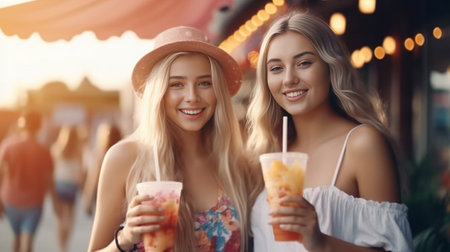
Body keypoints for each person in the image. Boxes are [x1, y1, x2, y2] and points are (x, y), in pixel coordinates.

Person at [246, 11, 414, 252]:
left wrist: (322, 242)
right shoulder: (268, 150)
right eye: (276, 68)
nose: (289, 79)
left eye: (304, 63)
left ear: (329, 66)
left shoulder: (362, 144)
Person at [87, 26, 250, 252]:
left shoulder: (233, 163)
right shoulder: (124, 158)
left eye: (204, 83)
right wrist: (125, 238)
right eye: (176, 84)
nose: (192, 97)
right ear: (159, 92)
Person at [0, 109, 58, 252]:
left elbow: (1, 173)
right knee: (27, 243)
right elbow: (49, 181)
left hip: (10, 200)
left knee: (16, 236)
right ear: (39, 126)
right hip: (34, 203)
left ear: (22, 125)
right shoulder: (44, 151)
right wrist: (56, 203)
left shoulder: (8, 146)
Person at [51, 125, 85, 252]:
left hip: (59, 184)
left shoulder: (56, 148)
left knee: (59, 217)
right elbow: (81, 171)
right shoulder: (79, 150)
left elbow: (52, 170)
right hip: (72, 186)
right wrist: (82, 186)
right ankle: (66, 246)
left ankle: (61, 246)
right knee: (70, 217)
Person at [82, 122, 122, 216]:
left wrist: (87, 200)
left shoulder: (102, 157)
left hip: (102, 196)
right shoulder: (123, 157)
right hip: (119, 199)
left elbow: (93, 180)